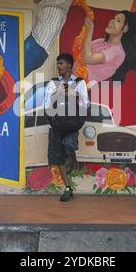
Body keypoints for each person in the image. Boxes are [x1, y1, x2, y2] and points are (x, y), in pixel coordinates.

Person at [44, 53, 89, 201]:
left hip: (71, 124)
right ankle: (67, 187)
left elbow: (86, 104)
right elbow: (46, 105)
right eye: (57, 64)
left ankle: (73, 156)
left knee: (69, 145)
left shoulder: (80, 83)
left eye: (61, 63)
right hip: (56, 125)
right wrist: (57, 94)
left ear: (69, 65)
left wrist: (74, 94)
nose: (59, 66)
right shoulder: (53, 83)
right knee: (58, 158)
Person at [81, 10, 136, 84]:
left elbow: (87, 59)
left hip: (80, 87)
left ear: (125, 28)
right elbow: (81, 53)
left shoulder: (117, 51)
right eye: (114, 18)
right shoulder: (100, 41)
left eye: (118, 20)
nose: (111, 21)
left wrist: (90, 30)